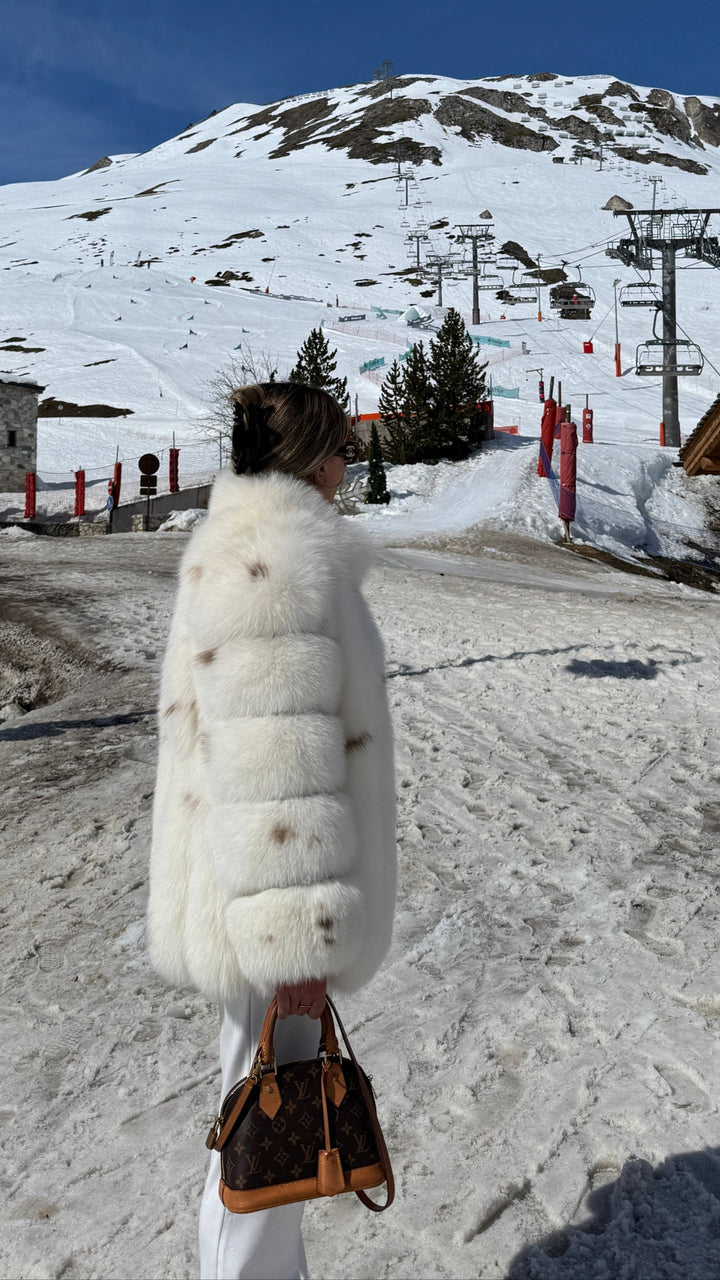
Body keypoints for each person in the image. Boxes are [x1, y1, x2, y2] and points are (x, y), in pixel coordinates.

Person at [147, 381, 397, 1280]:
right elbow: (274, 770)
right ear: (311, 458)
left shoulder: (240, 544)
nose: (349, 463)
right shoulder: (280, 562)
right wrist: (298, 949)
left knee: (258, 1123)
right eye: (341, 446)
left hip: (238, 891)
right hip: (270, 908)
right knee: (266, 1135)